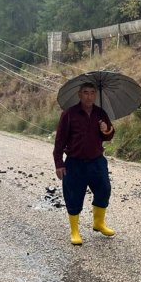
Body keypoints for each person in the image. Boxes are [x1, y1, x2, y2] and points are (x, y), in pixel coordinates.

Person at [53, 82, 116, 245]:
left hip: (97, 161)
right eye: (85, 92)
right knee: (73, 195)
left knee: (104, 189)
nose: (89, 96)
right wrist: (59, 163)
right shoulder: (69, 114)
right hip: (74, 163)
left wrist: (105, 129)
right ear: (79, 94)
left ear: (95, 95)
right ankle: (74, 231)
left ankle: (99, 223)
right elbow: (59, 140)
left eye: (92, 93)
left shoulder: (100, 113)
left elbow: (109, 136)